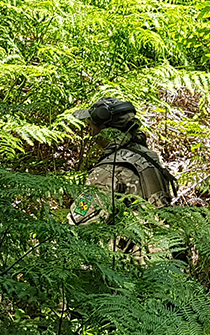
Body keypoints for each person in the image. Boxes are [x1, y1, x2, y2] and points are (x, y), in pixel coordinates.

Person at [69, 97, 177, 234]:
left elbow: (79, 220)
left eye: (91, 128)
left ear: (104, 130)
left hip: (133, 252)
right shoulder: (148, 156)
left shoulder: (108, 170)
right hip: (163, 246)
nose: (91, 135)